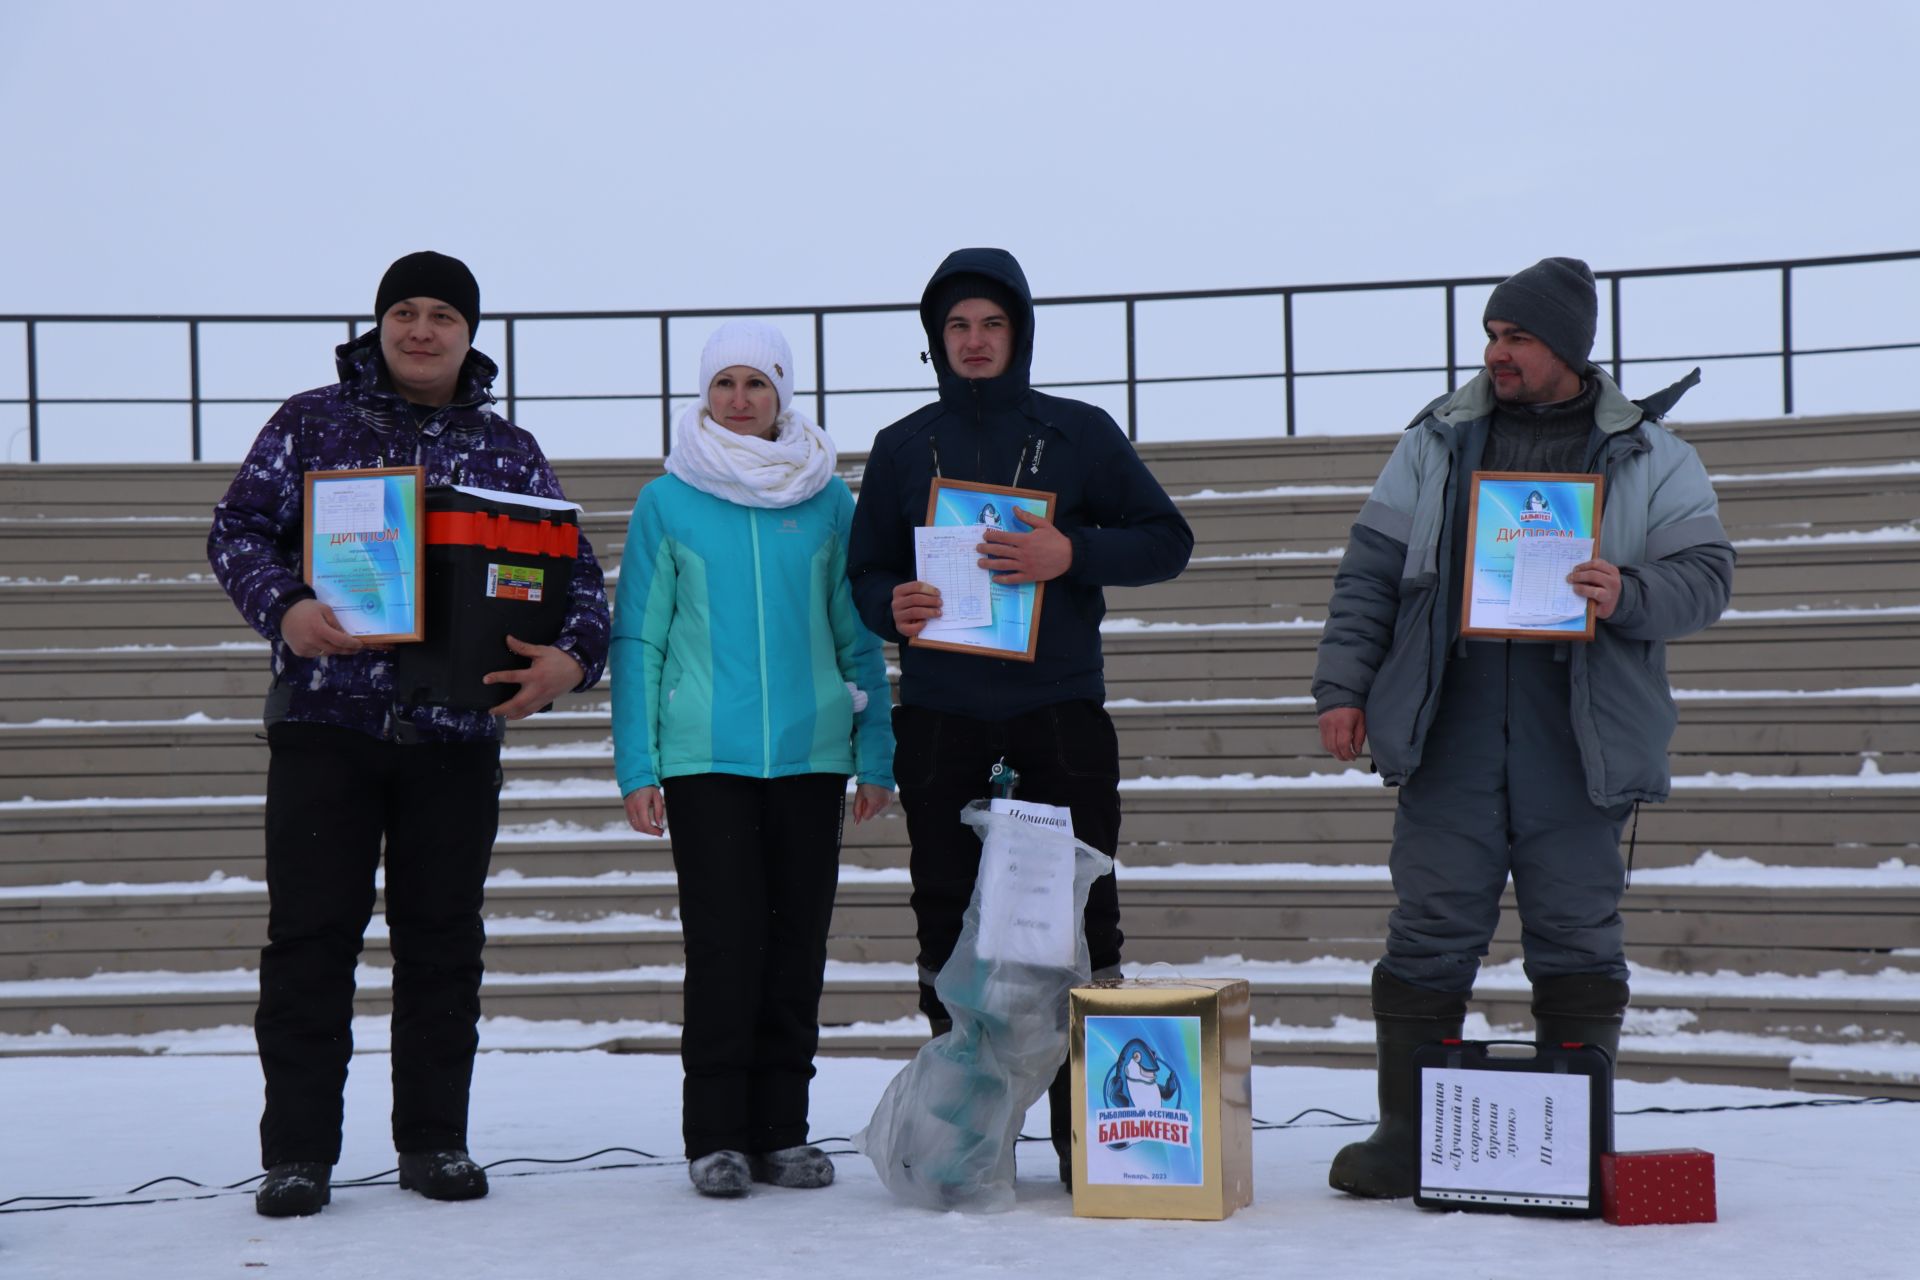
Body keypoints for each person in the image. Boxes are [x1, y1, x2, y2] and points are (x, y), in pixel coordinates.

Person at [1311, 256, 1735, 1199]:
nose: (1498, 353)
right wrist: (1342, 688)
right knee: (1428, 928)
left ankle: (1576, 1138)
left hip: (1579, 731)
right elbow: (1370, 574)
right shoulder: (1436, 438)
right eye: (1493, 336)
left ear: (1569, 350)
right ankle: (1406, 1134)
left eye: (1520, 338)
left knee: (1578, 936)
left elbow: (1707, 578)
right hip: (1451, 720)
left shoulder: (1650, 452)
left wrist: (1628, 590)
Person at [208, 251, 610, 1217]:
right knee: (310, 942)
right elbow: (237, 530)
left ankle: (435, 1142)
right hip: (325, 727)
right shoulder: (311, 421)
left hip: (453, 739)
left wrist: (570, 663)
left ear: (471, 334)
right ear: (378, 325)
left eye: (441, 314)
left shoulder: (509, 448)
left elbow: (580, 579)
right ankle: (298, 1153)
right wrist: (288, 606)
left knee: (441, 946)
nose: (420, 329)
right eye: (404, 312)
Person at [847, 248, 1194, 1184]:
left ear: (1020, 333)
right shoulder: (900, 444)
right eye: (957, 326)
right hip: (942, 717)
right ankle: (963, 1146)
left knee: (1085, 926)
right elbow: (866, 574)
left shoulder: (1080, 433)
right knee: (947, 929)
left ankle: (1095, 1144)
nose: (973, 340)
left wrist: (1066, 552)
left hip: (1057, 715)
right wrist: (894, 609)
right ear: (935, 340)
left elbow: (1169, 541)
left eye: (991, 324)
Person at [610, 320, 896, 1198]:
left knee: (795, 948)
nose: (740, 399)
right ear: (704, 395)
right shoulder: (668, 500)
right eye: (725, 383)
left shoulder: (828, 500)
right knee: (727, 948)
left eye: (757, 385)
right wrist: (638, 765)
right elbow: (638, 640)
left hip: (811, 758)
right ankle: (717, 1136)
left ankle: (782, 1131)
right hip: (707, 761)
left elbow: (858, 636)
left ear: (783, 396)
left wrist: (876, 750)